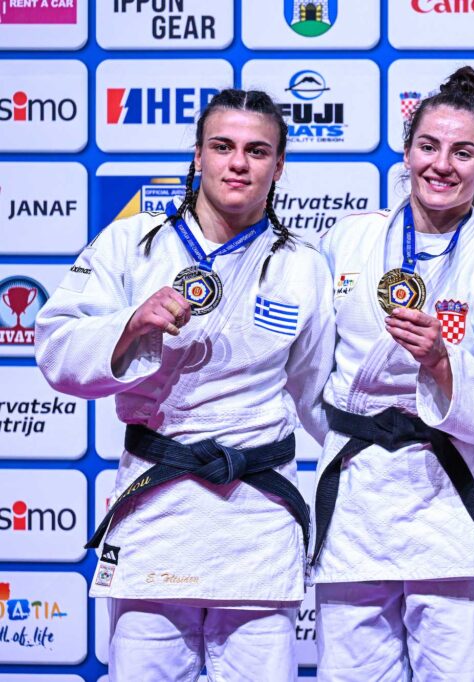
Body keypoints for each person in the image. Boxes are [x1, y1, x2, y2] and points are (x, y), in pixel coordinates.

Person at [34, 89, 335, 681]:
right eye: (222, 146)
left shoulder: (303, 266)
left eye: (257, 151)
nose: (238, 163)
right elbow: (56, 350)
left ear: (279, 166)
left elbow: (319, 396)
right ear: (197, 155)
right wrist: (131, 324)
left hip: (257, 517)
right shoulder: (131, 243)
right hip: (159, 511)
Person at [309, 66, 474, 682]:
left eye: (463, 153)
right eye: (428, 146)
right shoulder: (349, 241)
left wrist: (443, 365)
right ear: (406, 151)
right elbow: (306, 372)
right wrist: (345, 432)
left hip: (450, 511)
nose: (442, 165)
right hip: (357, 504)